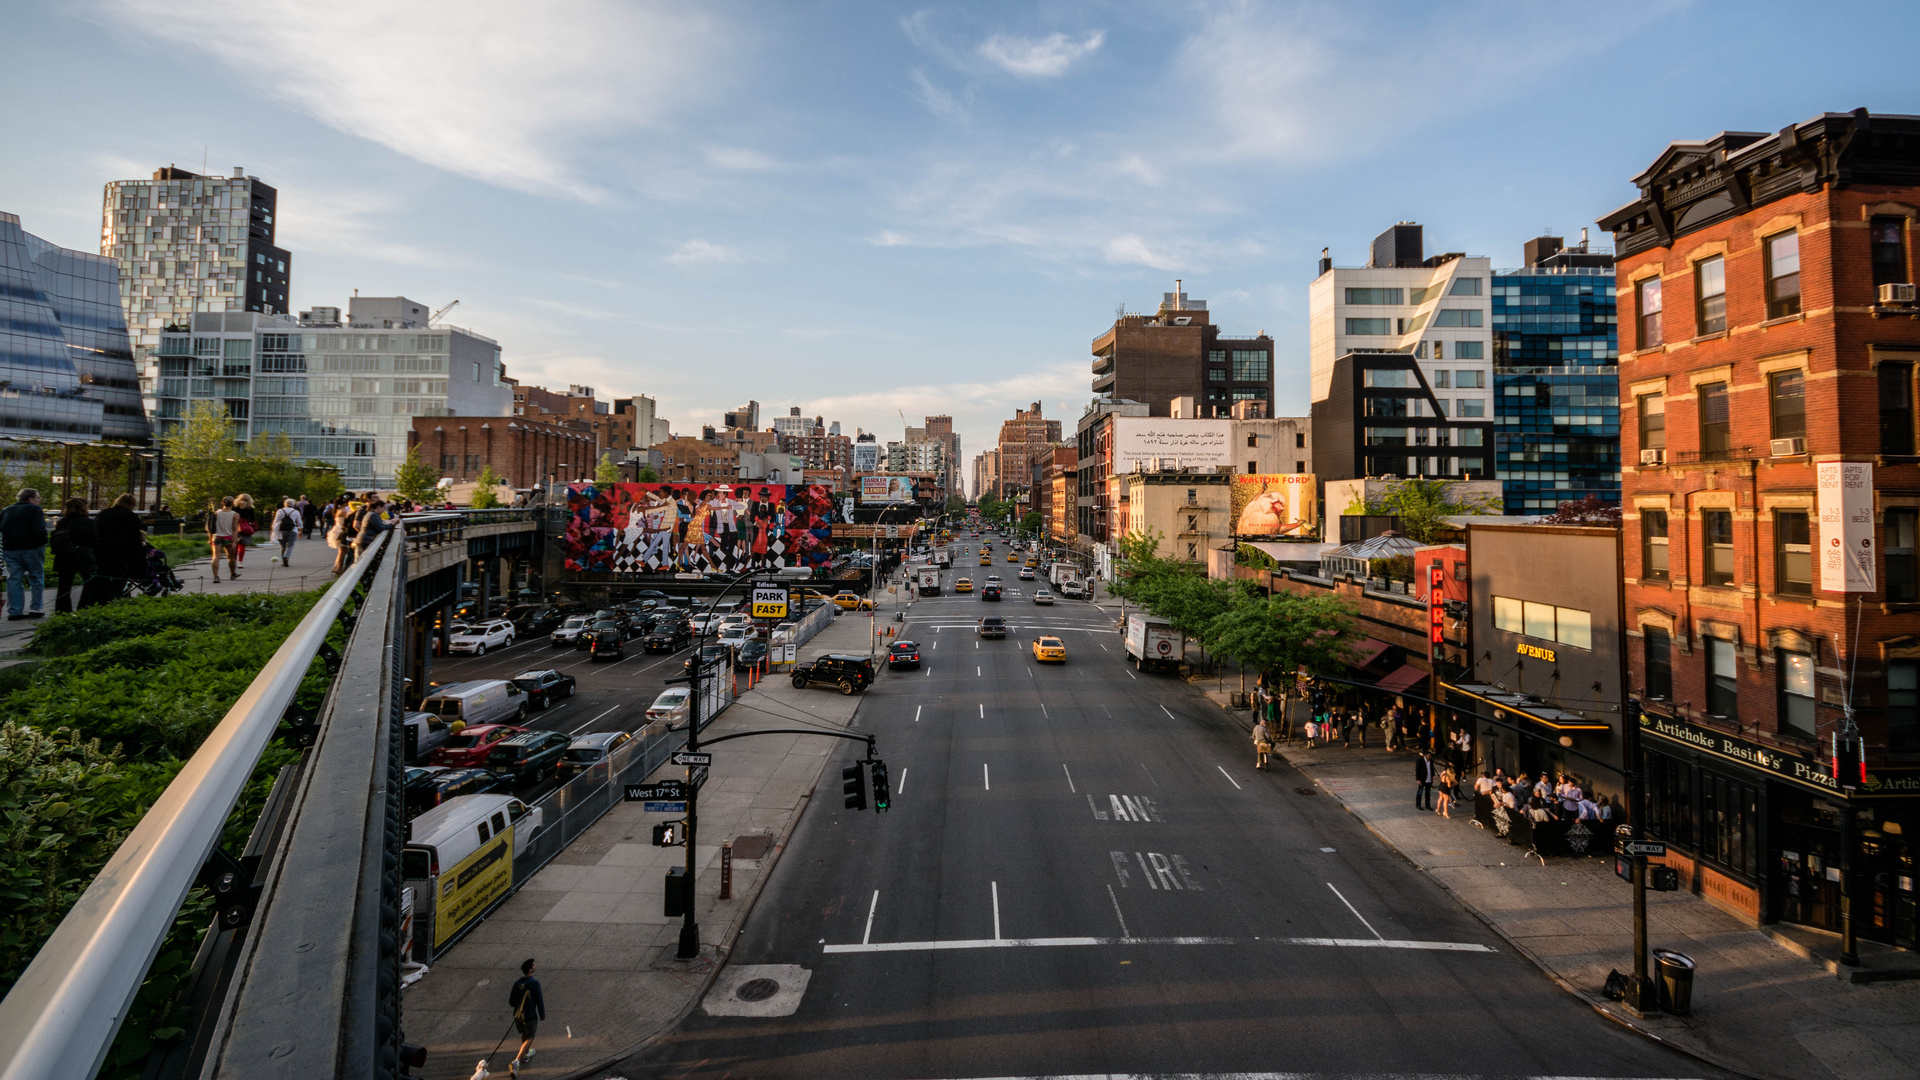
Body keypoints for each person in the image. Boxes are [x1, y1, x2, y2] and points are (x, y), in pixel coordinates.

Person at [1, 488, 48, 620]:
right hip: (32, 548)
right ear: (31, 499)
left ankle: (15, 611)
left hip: (10, 549)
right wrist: (42, 542)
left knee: (14, 579)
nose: (39, 501)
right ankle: (36, 608)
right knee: (36, 577)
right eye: (38, 498)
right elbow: (39, 529)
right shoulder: (35, 510)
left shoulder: (6, 510)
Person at [93, 493, 146, 600]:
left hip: (101, 551)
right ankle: (113, 600)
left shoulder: (104, 514)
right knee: (119, 579)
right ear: (132, 504)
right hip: (121, 552)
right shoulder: (131, 516)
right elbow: (135, 537)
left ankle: (101, 600)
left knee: (102, 579)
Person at [49, 498, 98, 613]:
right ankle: (84, 608)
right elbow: (94, 540)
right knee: (89, 583)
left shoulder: (62, 522)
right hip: (83, 555)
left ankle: (62, 611)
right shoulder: (88, 522)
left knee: (64, 586)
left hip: (64, 556)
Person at [508, 957, 545, 1076]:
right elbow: (539, 1001)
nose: (535, 966)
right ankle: (517, 1060)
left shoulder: (517, 983)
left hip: (518, 1016)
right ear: (530, 970)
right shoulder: (534, 984)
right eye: (533, 965)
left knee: (524, 1033)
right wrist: (542, 1014)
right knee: (530, 1037)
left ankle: (527, 1052)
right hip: (530, 1016)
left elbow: (512, 1002)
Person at [208, 496, 240, 581]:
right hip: (228, 538)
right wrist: (234, 541)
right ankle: (233, 574)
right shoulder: (235, 515)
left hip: (217, 537)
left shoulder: (216, 513)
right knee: (231, 557)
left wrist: (210, 538)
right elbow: (235, 529)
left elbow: (210, 527)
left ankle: (216, 576)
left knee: (216, 557)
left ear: (222, 503)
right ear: (233, 504)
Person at [271, 497, 302, 566]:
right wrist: (300, 530)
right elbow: (300, 523)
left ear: (285, 504)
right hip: (292, 530)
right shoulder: (296, 511)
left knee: (283, 546)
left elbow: (276, 521)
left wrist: (274, 529)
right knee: (290, 545)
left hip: (281, 531)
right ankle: (286, 557)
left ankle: (283, 560)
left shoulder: (280, 511)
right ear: (293, 504)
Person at [232, 493, 258, 565]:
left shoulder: (235, 506)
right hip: (245, 528)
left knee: (235, 545)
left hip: (235, 526)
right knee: (242, 545)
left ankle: (233, 561)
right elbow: (252, 519)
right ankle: (240, 562)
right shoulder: (250, 508)